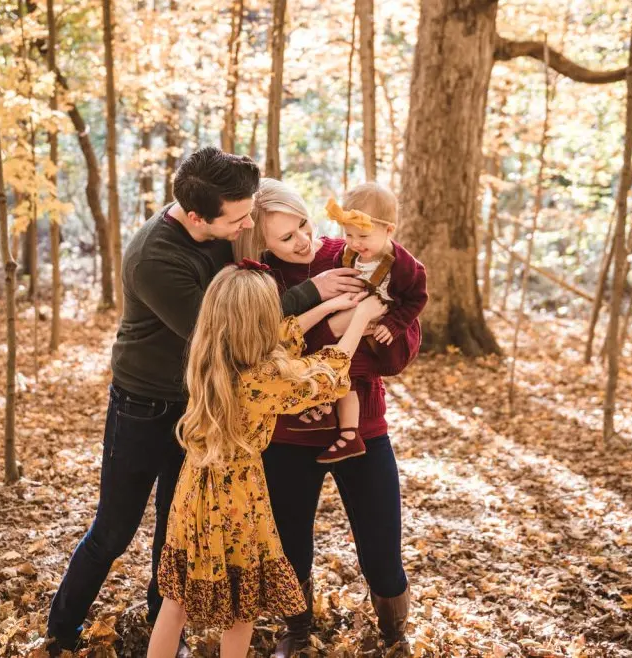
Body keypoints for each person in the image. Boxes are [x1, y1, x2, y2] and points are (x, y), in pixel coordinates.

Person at [44, 149, 366, 657]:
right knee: (115, 526)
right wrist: (314, 293)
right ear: (197, 217)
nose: (246, 227)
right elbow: (230, 332)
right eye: (238, 219)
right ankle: (61, 631)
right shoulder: (155, 258)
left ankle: (161, 632)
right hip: (146, 402)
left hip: (204, 404)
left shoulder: (222, 230)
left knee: (177, 527)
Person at [146, 262, 387, 658]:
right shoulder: (263, 378)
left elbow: (282, 335)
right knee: (242, 611)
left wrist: (327, 309)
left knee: (176, 602)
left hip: (193, 493)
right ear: (257, 322)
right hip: (238, 499)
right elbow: (327, 375)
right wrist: (360, 317)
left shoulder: (209, 355)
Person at [233, 179, 420, 656]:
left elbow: (399, 344)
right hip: (289, 436)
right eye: (286, 237)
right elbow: (261, 354)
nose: (303, 240)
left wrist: (376, 334)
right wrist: (334, 325)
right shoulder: (257, 282)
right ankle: (296, 629)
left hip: (363, 428)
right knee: (290, 542)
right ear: (262, 244)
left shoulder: (352, 252)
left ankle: (394, 630)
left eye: (303, 225)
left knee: (381, 546)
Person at [319, 183, 428, 463]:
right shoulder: (348, 254)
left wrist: (393, 324)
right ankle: (347, 431)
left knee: (351, 369)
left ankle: (337, 419)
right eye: (348, 234)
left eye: (363, 235)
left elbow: (416, 300)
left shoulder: (405, 267)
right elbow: (339, 274)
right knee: (342, 369)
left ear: (388, 230)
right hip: (355, 321)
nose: (355, 242)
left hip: (390, 333)